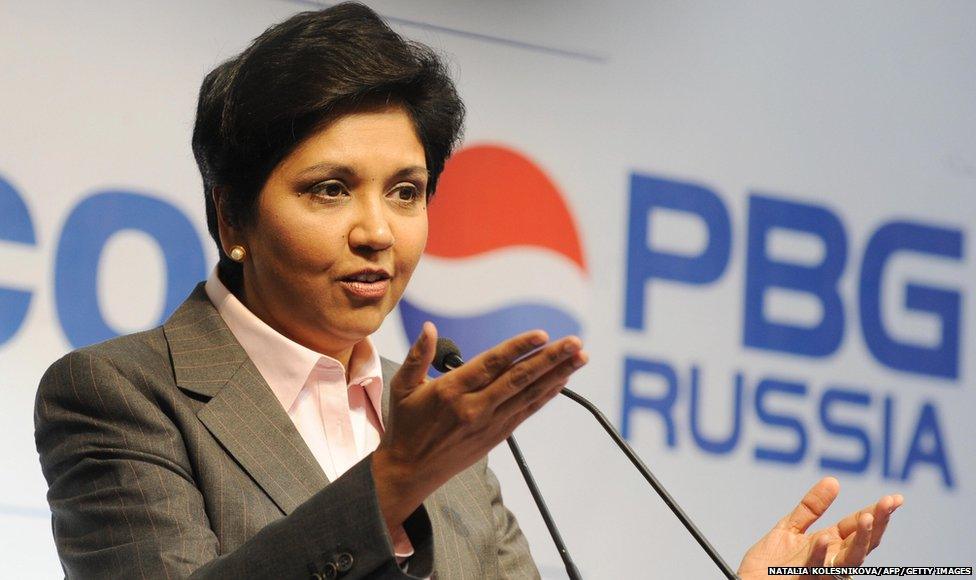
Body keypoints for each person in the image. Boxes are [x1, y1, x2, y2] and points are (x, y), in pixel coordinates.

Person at [34, 3, 902, 579]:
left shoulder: (438, 420)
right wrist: (390, 483)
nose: (378, 229)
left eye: (405, 191)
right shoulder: (119, 395)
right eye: (329, 189)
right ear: (233, 214)